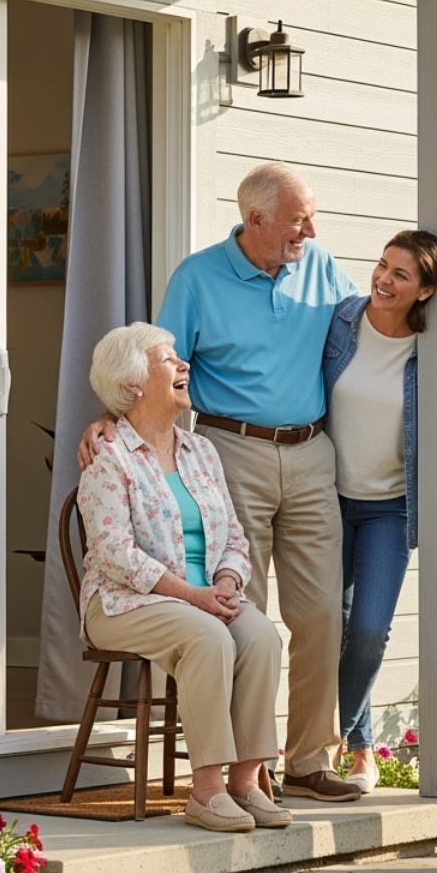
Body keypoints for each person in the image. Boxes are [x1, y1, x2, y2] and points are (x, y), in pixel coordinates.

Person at [80, 163, 362, 802]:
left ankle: (309, 760)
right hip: (230, 449)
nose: (309, 230)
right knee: (243, 610)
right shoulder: (198, 277)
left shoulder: (320, 266)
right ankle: (246, 773)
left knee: (320, 613)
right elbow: (152, 364)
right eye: (297, 219)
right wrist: (108, 419)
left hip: (312, 447)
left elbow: (369, 330)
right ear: (256, 219)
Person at [76, 323, 289, 833]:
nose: (183, 364)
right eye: (168, 359)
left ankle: (246, 781)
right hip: (121, 604)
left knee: (260, 635)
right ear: (132, 384)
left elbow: (233, 534)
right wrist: (193, 595)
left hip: (204, 601)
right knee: (208, 635)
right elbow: (115, 555)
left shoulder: (201, 452)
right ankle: (207, 789)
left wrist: (229, 583)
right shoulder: (108, 458)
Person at [323, 230, 437, 792]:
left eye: (401, 275)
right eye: (382, 265)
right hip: (323, 498)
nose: (384, 280)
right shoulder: (341, 322)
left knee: (369, 630)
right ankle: (359, 751)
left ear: (424, 292)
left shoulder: (431, 351)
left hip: (388, 511)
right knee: (326, 627)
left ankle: (335, 739)